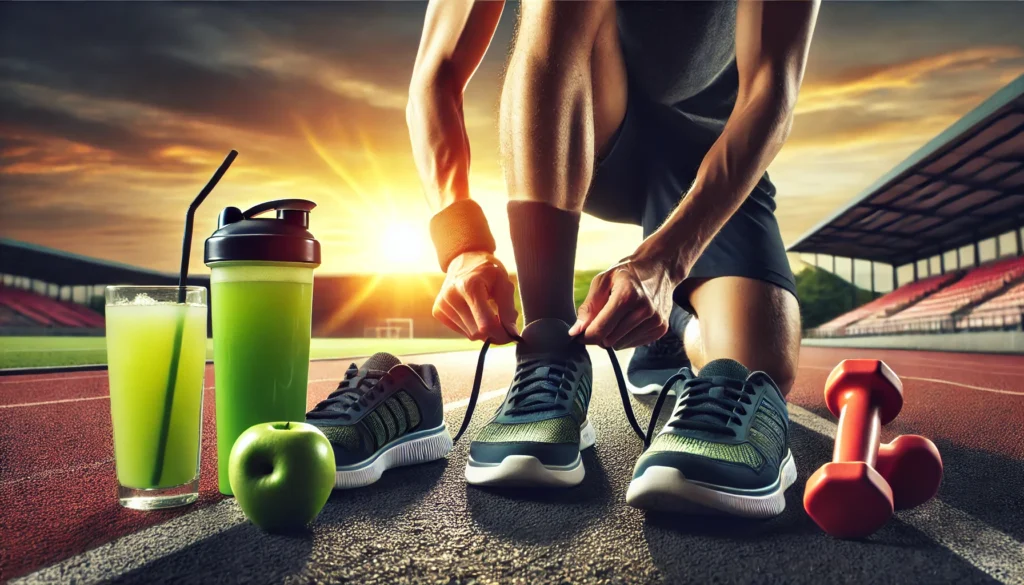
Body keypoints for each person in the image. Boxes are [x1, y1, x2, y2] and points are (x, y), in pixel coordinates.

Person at [407, 0, 818, 516]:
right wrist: (462, 246)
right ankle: (549, 351)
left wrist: (668, 262)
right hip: (590, 131)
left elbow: (770, 87)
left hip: (712, 159)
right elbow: (435, 75)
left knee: (758, 366)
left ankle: (676, 328)